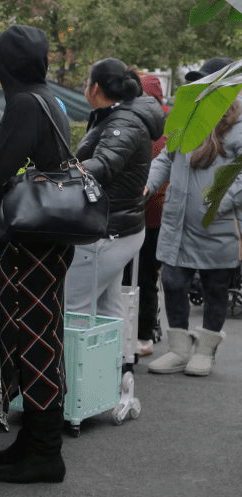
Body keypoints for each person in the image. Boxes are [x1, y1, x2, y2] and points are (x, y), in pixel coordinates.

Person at [0, 25, 72, 485]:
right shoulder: (49, 99)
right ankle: (35, 441)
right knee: (37, 334)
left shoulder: (26, 104)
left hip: (33, 243)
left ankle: (46, 452)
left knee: (35, 338)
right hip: (49, 239)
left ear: (5, 66)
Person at [64, 59, 166, 373]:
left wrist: (60, 174)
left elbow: (105, 163)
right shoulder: (119, 116)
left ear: (94, 88)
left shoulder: (123, 121)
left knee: (74, 309)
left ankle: (72, 394)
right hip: (119, 225)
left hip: (107, 228)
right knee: (108, 307)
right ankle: (114, 379)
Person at [145, 60, 242, 377]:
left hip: (217, 223)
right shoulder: (185, 118)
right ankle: (178, 350)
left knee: (215, 287)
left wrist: (223, 201)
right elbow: (165, 157)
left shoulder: (239, 125)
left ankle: (205, 351)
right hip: (177, 222)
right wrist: (147, 184)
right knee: (172, 282)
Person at [133, 74, 170, 357]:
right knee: (147, 277)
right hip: (160, 215)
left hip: (143, 214)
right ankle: (146, 333)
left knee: (137, 277)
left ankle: (142, 334)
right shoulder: (170, 122)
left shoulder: (151, 127)